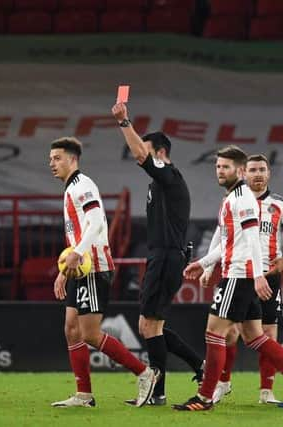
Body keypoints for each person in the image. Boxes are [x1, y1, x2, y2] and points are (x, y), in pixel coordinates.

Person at [48, 137, 158, 408]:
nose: (52, 163)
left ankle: (145, 372)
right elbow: (80, 233)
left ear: (73, 159)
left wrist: (77, 253)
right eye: (50, 159)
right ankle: (84, 395)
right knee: (71, 329)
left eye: (57, 158)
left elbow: (96, 222)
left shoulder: (82, 185)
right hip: (80, 269)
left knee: (90, 334)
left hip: (95, 267)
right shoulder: (70, 188)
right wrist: (65, 270)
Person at [174, 145, 283, 411]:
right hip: (243, 273)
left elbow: (252, 239)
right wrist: (204, 262)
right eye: (218, 166)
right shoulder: (233, 198)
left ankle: (205, 397)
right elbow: (229, 241)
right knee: (255, 336)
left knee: (215, 332)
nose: (220, 171)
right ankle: (210, 392)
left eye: (226, 167)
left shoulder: (242, 198)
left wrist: (258, 275)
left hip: (239, 275)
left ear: (240, 171)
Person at [112, 103, 204, 405]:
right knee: (148, 326)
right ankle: (198, 365)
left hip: (167, 257)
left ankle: (158, 392)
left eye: (149, 152)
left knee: (150, 326)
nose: (142, 156)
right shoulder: (159, 184)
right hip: (161, 257)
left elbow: (140, 154)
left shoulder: (170, 176)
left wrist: (124, 122)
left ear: (160, 154)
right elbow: (142, 155)